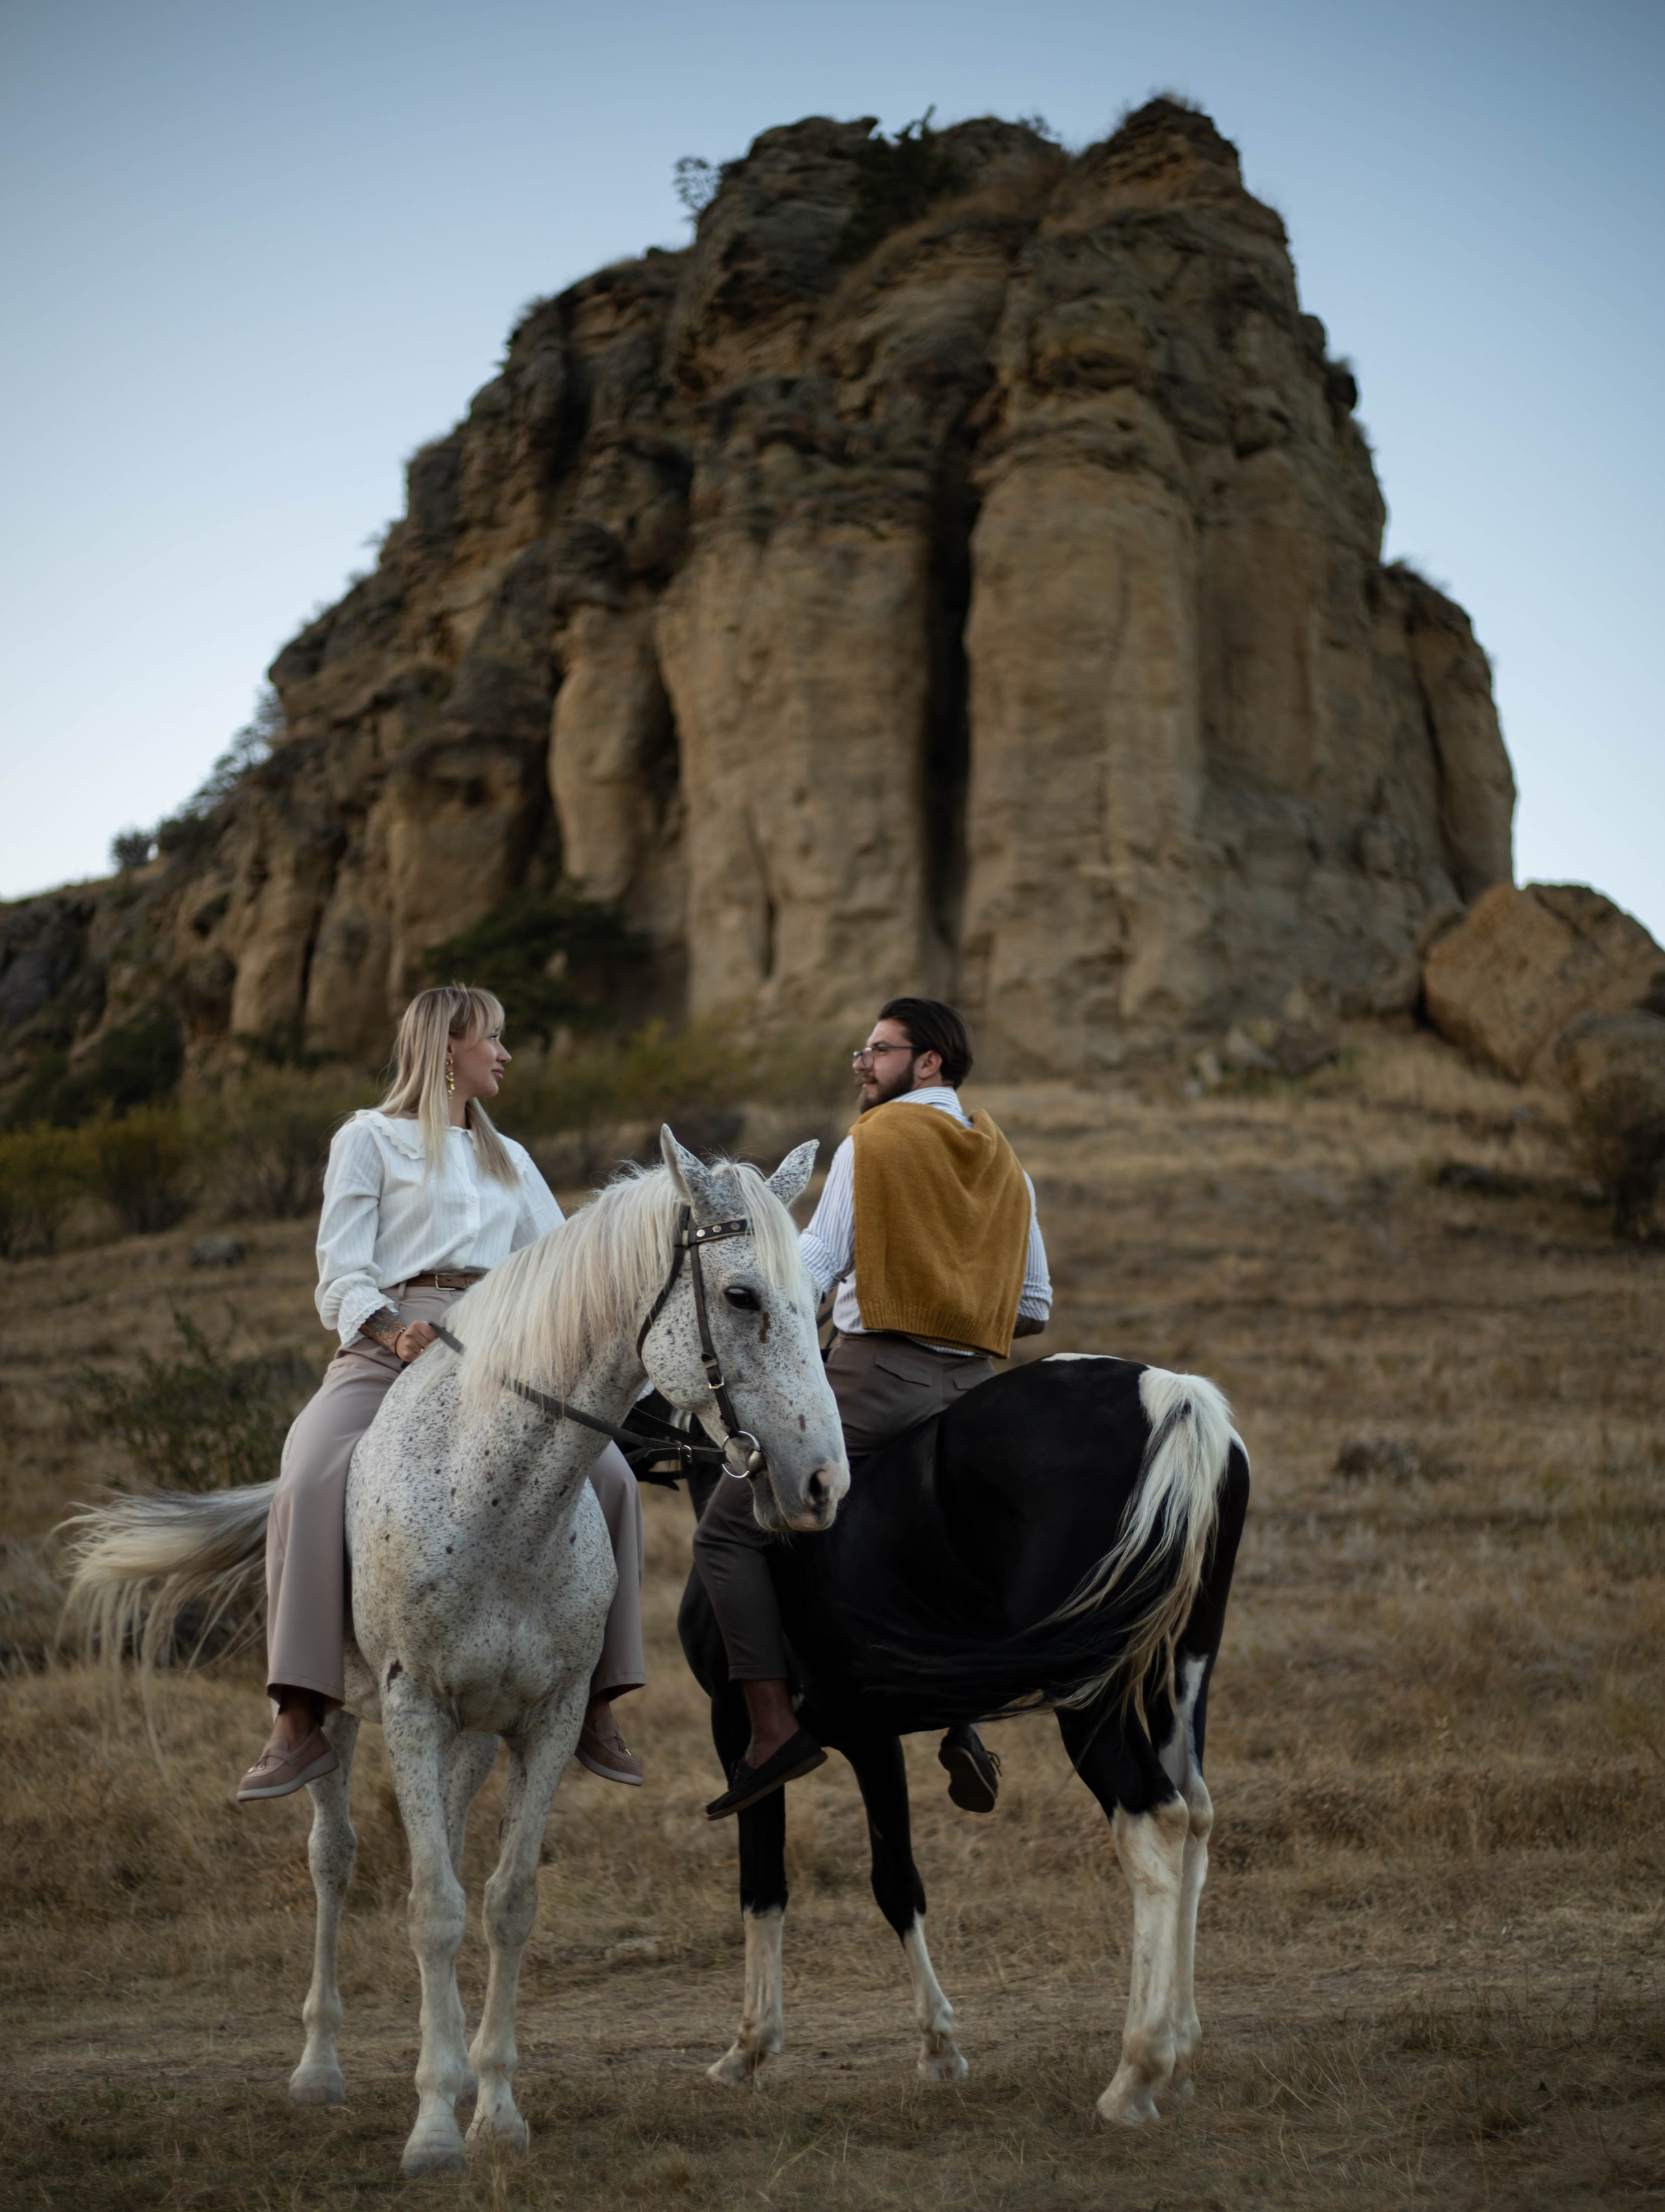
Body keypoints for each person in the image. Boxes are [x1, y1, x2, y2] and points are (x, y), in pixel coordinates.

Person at [236, 984, 645, 1803]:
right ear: (445, 1048)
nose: (503, 1053)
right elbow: (340, 1270)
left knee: (613, 1479)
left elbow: (557, 1265)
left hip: (506, 1337)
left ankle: (598, 1699)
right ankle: (299, 1712)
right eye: (491, 1038)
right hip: (398, 1329)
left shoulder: (512, 1157)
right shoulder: (369, 1140)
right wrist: (390, 1329)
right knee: (311, 1469)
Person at [693, 995, 1050, 1821]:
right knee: (928, 1534)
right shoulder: (1004, 1160)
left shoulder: (876, 1140)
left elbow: (814, 1261)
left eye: (880, 1051)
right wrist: (961, 1301)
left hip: (877, 1377)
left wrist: (774, 1316)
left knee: (727, 1529)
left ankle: (773, 1725)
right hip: (974, 1388)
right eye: (863, 1049)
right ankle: (961, 1720)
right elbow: (1034, 1304)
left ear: (928, 1062)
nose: (862, 1062)